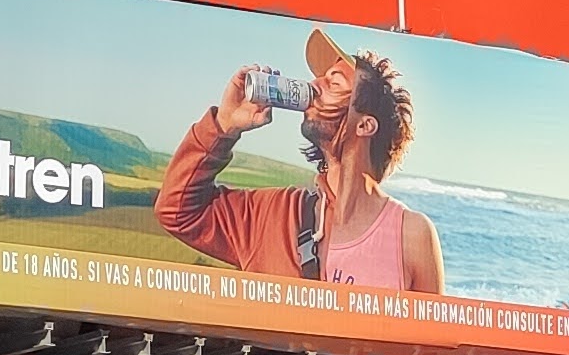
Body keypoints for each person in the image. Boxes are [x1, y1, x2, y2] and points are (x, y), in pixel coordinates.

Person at [155, 31, 446, 293]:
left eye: (334, 82)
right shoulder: (271, 216)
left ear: (364, 125)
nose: (314, 85)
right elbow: (177, 212)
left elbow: (431, 335)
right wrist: (223, 125)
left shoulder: (411, 235)